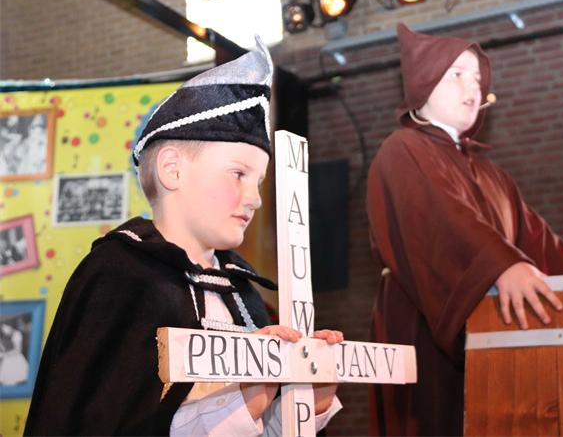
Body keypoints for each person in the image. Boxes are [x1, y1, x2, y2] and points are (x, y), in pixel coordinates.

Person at [25, 37, 343, 436]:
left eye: (259, 181)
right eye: (238, 174)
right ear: (172, 170)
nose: (255, 198)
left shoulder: (244, 296)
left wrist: (309, 406)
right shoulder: (120, 278)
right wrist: (242, 404)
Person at [367, 24, 563, 436]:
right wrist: (502, 265)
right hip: (421, 327)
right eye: (457, 74)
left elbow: (541, 245)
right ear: (424, 81)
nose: (472, 87)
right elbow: (444, 219)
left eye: (477, 78)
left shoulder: (494, 176)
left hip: (492, 337)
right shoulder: (402, 149)